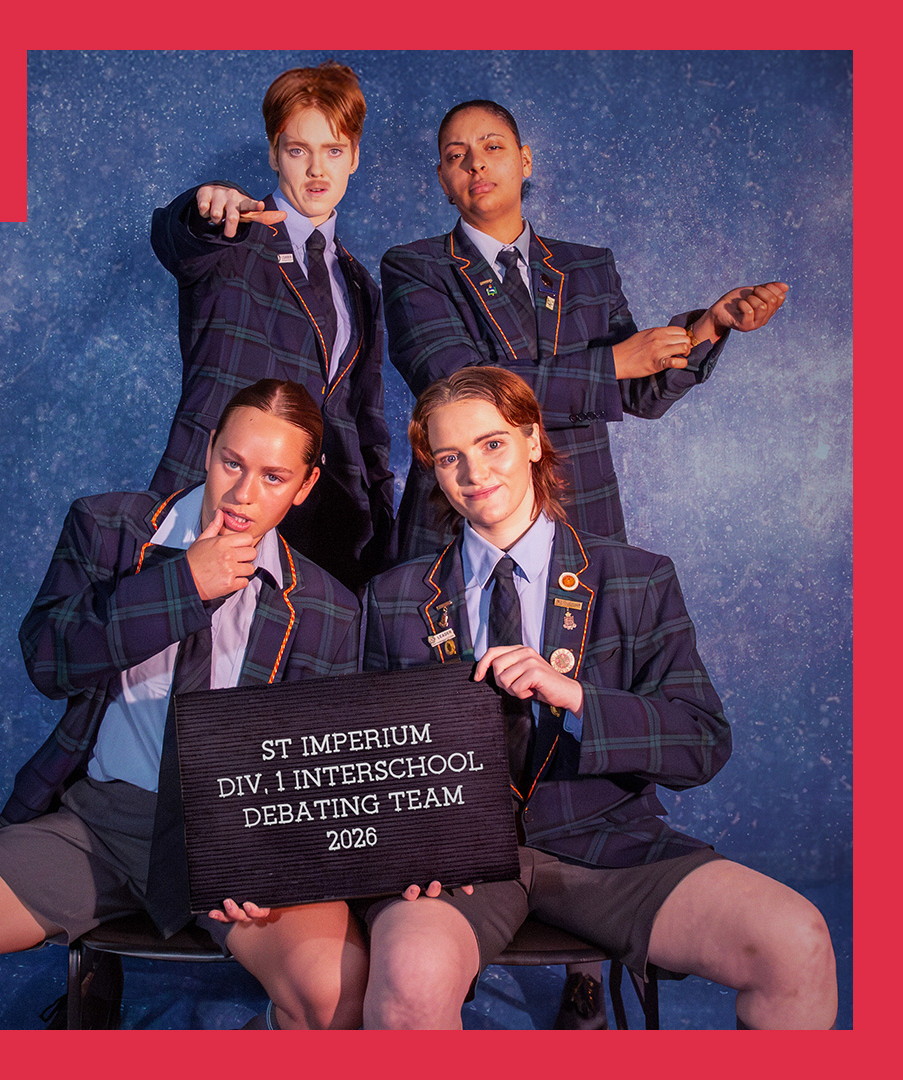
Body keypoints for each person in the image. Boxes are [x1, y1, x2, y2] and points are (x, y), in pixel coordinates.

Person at [0, 379, 367, 1030]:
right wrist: (183, 584)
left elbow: (315, 768)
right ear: (210, 447)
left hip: (229, 839)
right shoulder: (108, 529)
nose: (244, 494)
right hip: (98, 826)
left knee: (332, 990)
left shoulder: (328, 608)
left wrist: (269, 855)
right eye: (232, 464)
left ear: (305, 487)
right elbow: (49, 662)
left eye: (274, 477)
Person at [361, 366, 836, 1030]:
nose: (474, 472)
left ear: (532, 440)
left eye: (492, 443)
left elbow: (700, 741)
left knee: (798, 942)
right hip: (458, 865)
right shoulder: (394, 597)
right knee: (409, 982)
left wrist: (578, 698)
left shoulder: (636, 578)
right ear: (432, 470)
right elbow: (369, 758)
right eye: (450, 457)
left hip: (608, 845)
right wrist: (404, 848)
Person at [382, 98, 789, 562]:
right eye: (457, 156)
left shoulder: (589, 265)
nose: (476, 162)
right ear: (443, 180)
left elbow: (640, 394)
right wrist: (614, 362)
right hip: (461, 517)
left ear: (525, 160)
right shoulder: (415, 266)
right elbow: (460, 386)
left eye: (493, 146)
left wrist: (710, 326)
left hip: (580, 510)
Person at [149, 61, 393, 592]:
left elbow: (364, 419)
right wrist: (206, 206)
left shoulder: (361, 284)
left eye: (332, 151)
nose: (316, 171)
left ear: (354, 157)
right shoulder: (235, 234)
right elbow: (181, 239)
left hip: (330, 529)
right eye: (297, 150)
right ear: (273, 153)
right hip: (221, 500)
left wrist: (380, 519)